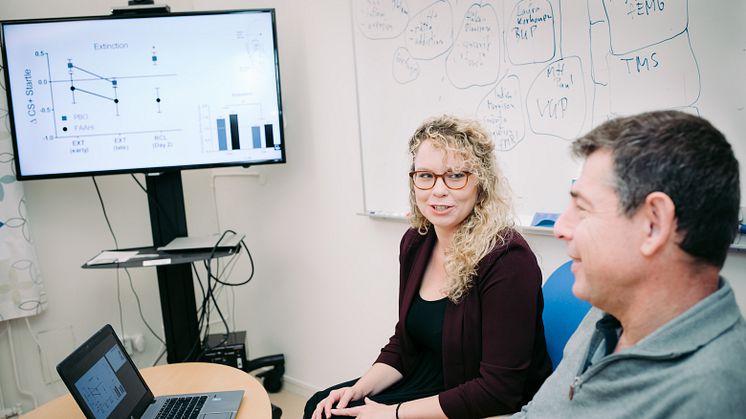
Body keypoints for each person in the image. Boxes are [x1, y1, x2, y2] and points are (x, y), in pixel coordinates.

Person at [304, 115, 552, 419]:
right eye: (425, 176)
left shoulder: (508, 260)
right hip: (430, 378)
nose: (438, 190)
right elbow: (405, 343)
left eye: (456, 175)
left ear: (481, 183)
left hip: (482, 400)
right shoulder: (416, 243)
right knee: (322, 405)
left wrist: (393, 413)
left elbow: (498, 391)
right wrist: (360, 389)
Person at [513, 110, 746, 418]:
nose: (560, 228)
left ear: (653, 224)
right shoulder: (609, 311)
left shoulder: (711, 394)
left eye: (582, 208)